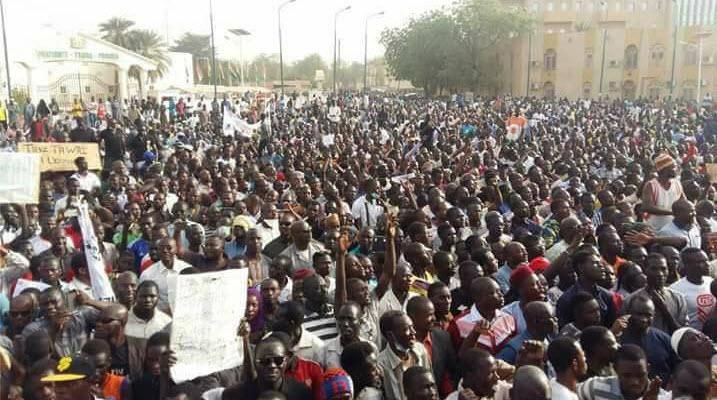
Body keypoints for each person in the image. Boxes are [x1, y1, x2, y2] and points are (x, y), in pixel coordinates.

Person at [222, 335, 312, 400]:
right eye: (265, 361)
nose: (272, 366)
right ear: (255, 361)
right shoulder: (235, 395)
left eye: (278, 360)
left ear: (286, 361)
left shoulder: (302, 393)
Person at [621, 252, 687, 333]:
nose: (660, 274)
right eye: (654, 269)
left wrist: (664, 309)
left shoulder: (678, 298)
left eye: (663, 269)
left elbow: (682, 333)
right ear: (645, 270)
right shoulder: (631, 300)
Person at [448, 277, 516, 354]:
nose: (501, 295)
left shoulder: (508, 318)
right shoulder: (458, 324)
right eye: (494, 292)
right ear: (478, 297)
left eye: (499, 291)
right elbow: (456, 357)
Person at [406, 296, 458, 396]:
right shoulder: (403, 342)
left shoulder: (443, 337)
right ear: (412, 317)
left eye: (433, 314)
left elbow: (451, 371)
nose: (434, 318)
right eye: (429, 315)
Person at [618, 296, 677, 382]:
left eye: (648, 315)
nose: (643, 319)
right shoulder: (618, 338)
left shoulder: (664, 339)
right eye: (639, 314)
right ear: (628, 313)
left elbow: (677, 367)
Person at [577, 344, 667, 400]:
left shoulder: (662, 397)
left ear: (648, 369)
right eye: (627, 376)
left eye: (640, 375)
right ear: (616, 370)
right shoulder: (595, 387)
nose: (634, 382)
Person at [377, 310, 431, 400]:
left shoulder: (420, 350)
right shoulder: (381, 364)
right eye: (406, 329)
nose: (413, 332)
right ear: (391, 335)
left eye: (412, 327)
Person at [139, 237, 191, 314]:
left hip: (184, 315)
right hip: (158, 319)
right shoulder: (147, 274)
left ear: (176, 250)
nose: (165, 251)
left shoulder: (187, 270)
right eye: (161, 248)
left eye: (169, 248)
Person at [669, 247, 715, 329]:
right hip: (694, 337)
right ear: (687, 265)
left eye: (707, 260)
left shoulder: (711, 282)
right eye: (700, 262)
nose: (707, 264)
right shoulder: (675, 290)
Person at [445, 348, 511, 400]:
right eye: (490, 373)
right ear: (470, 375)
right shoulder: (452, 398)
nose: (497, 377)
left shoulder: (498, 387)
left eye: (495, 372)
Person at [670, 326, 717, 398]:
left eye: (701, 335)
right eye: (695, 339)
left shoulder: (715, 370)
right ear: (686, 353)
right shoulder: (687, 387)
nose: (705, 338)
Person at [643, 154, 684, 231]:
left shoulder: (677, 183)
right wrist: (672, 212)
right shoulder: (651, 185)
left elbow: (683, 202)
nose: (677, 169)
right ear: (665, 169)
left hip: (673, 229)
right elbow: (647, 207)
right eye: (674, 167)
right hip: (654, 230)